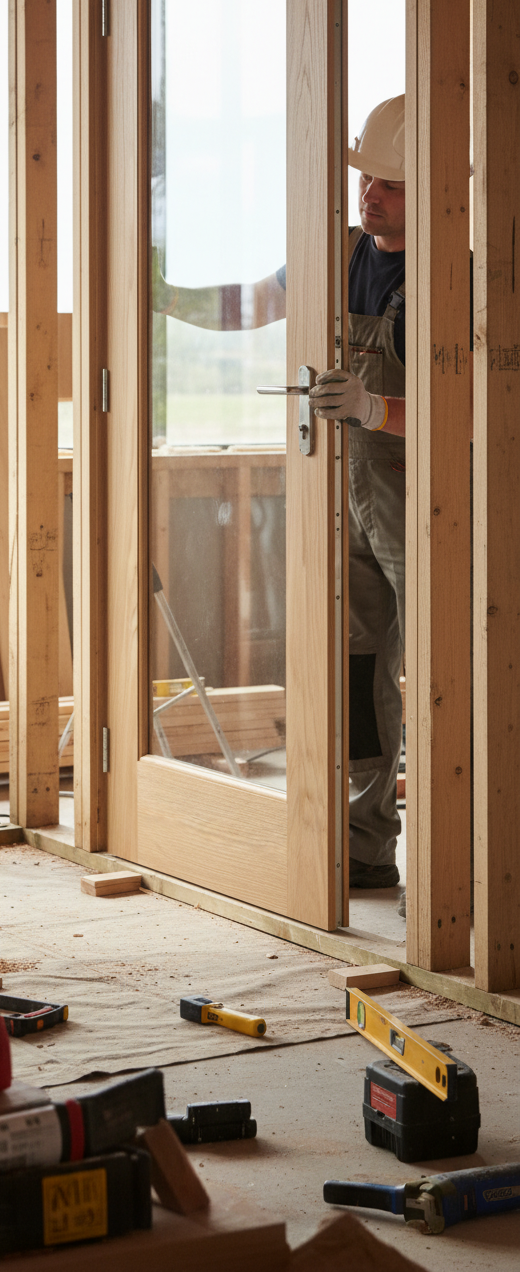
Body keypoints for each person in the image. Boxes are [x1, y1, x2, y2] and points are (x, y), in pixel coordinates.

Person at [152, 95, 409, 889]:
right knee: (358, 674)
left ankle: (462, 867)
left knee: (448, 674)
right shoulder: (339, 252)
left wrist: (375, 408)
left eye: (389, 185)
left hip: (430, 501)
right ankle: (365, 848)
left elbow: (477, 410)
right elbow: (253, 304)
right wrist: (164, 296)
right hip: (352, 493)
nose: (368, 195)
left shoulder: (460, 269)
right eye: (366, 178)